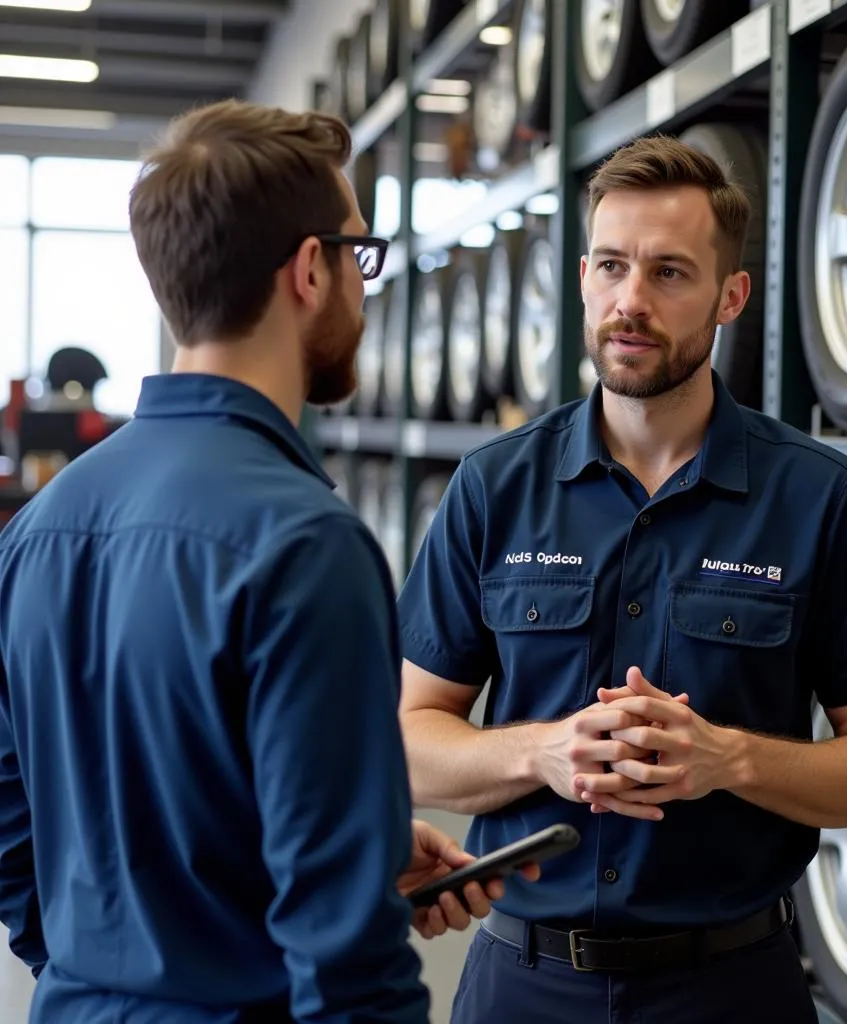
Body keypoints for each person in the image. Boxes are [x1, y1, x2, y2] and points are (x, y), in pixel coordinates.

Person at [0, 98, 537, 1024]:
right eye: (359, 257)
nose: (366, 290)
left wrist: (108, 969)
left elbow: (17, 827)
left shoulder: (40, 527)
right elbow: (346, 961)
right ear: (308, 272)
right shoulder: (303, 546)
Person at [396, 134, 847, 1023]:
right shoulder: (494, 489)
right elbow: (412, 741)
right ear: (581, 278)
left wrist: (726, 760)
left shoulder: (819, 498)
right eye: (611, 267)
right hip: (521, 986)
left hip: (731, 985)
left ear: (731, 296)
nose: (631, 302)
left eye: (669, 274)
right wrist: (545, 750)